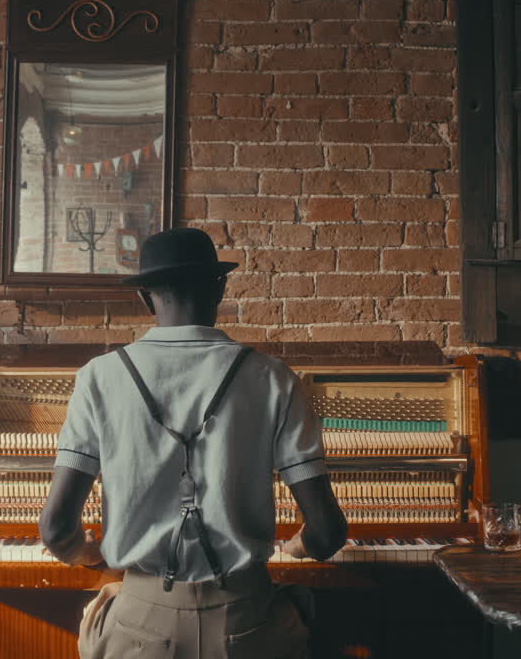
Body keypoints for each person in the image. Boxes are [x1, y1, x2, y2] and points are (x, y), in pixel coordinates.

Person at [39, 227, 348, 659]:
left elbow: (54, 530)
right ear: (219, 287)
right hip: (248, 622)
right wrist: (300, 547)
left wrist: (90, 556)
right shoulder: (274, 377)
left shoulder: (99, 377)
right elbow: (330, 531)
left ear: (145, 298)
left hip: (141, 625)